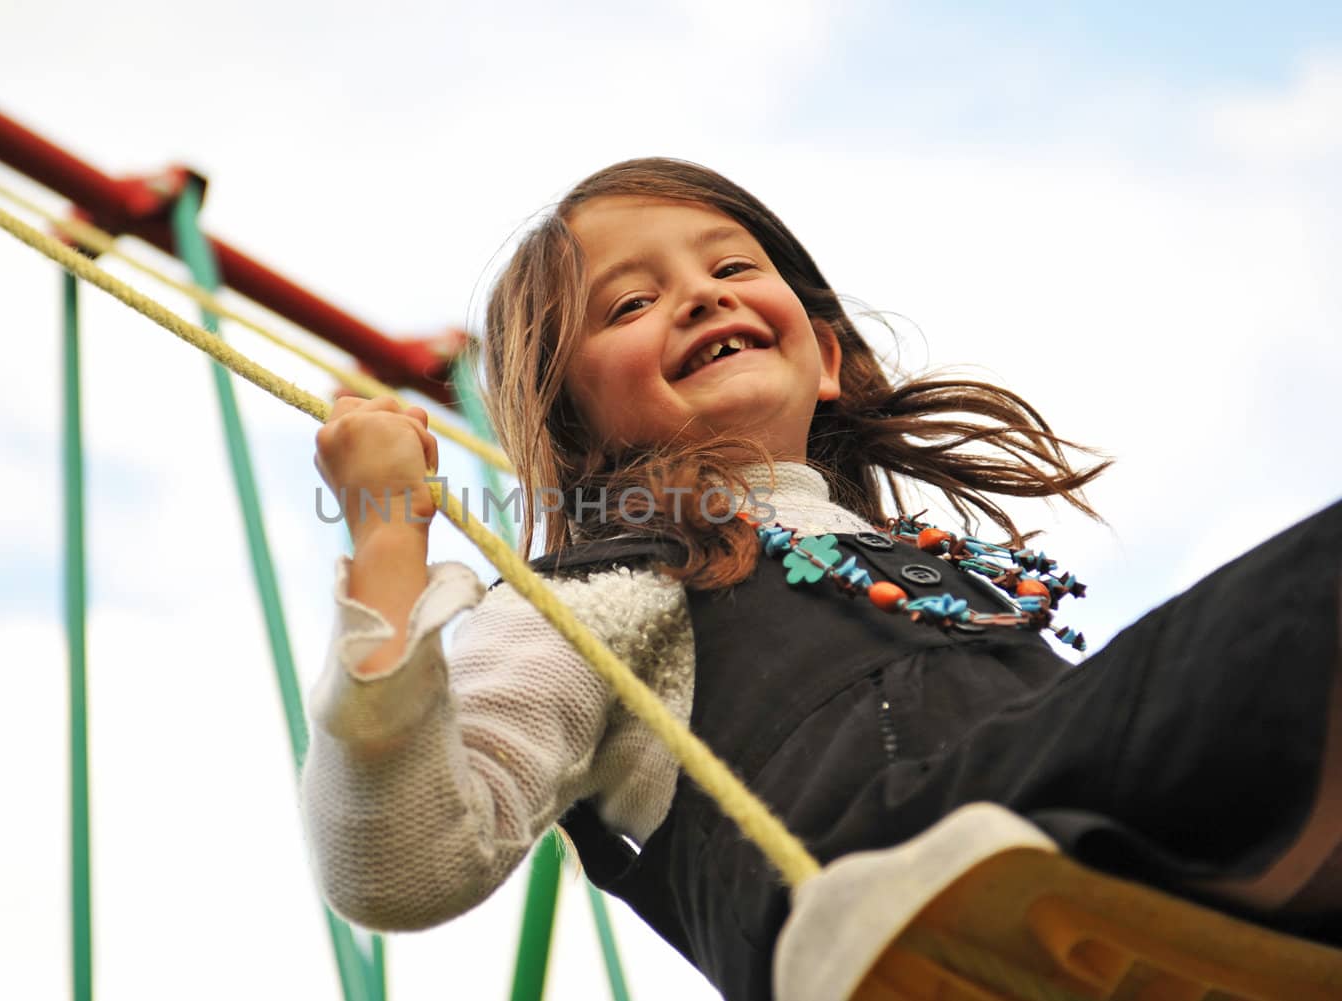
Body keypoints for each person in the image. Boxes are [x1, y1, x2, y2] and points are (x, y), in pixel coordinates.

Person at [302, 157, 1342, 1000]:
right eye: (627, 302)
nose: (700, 293)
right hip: (881, 862)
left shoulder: (918, 568)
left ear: (828, 354)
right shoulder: (620, 583)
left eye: (730, 267)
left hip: (1101, 838)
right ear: (575, 426)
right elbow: (403, 858)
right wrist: (389, 531)